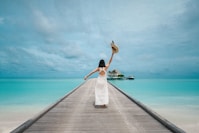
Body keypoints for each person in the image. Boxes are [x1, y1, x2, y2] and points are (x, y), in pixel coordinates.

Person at [84, 42, 118, 108]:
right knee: (104, 92)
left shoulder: (98, 68)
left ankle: (100, 102)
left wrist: (86, 76)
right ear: (104, 63)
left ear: (99, 63)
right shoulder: (106, 67)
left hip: (99, 81)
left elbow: (92, 72)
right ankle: (104, 103)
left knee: (99, 92)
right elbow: (110, 61)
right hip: (104, 81)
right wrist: (112, 54)